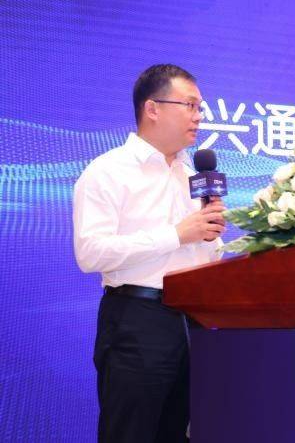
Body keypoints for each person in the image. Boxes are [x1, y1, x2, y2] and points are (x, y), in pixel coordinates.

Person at [73, 64, 226, 443]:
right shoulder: (108, 171)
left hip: (193, 322)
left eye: (200, 107)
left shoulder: (189, 174)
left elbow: (203, 256)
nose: (198, 116)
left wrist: (210, 237)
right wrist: (176, 234)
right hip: (137, 321)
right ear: (152, 108)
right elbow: (90, 253)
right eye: (189, 105)